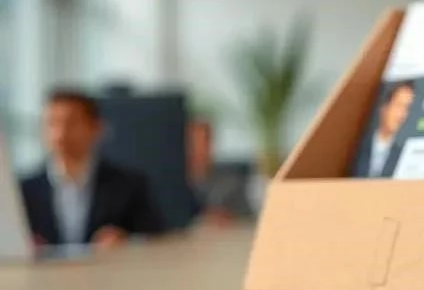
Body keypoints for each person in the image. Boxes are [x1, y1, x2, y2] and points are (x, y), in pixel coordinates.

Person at [19, 88, 165, 247]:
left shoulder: (129, 185)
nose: (60, 133)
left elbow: (156, 239)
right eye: (52, 123)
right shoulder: (24, 190)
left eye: (71, 122)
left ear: (96, 128)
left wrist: (126, 241)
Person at [187, 119, 252, 226]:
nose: (199, 148)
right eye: (193, 143)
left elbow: (248, 218)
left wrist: (230, 217)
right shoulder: (172, 184)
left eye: (203, 141)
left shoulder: (230, 182)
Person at [351, 80, 415, 178]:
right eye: (399, 105)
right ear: (384, 108)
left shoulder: (403, 156)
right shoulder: (355, 148)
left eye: (406, 108)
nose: (402, 115)